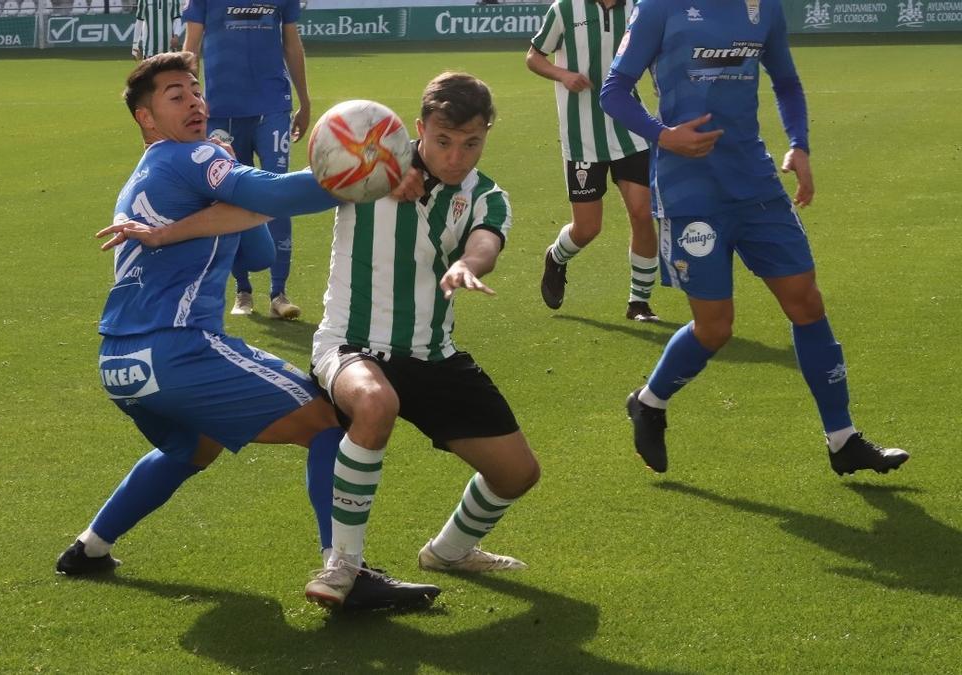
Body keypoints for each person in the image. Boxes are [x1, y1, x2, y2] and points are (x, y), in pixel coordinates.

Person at [55, 52, 439, 611]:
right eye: (175, 96)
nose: (194, 101)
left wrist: (228, 193)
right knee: (331, 418)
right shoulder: (187, 156)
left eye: (195, 90)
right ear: (146, 118)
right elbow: (279, 197)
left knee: (193, 447)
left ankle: (89, 547)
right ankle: (346, 572)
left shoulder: (155, 175)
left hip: (122, 363)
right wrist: (364, 170)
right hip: (178, 347)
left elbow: (255, 252)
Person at [600, 0, 909, 475]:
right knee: (715, 328)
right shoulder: (660, 7)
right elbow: (614, 90)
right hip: (691, 192)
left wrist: (799, 145)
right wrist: (663, 135)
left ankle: (842, 438)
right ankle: (650, 403)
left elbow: (785, 80)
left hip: (756, 184)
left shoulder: (763, 8)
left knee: (806, 301)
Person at [301, 72, 542, 606]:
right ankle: (343, 566)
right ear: (419, 131)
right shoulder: (371, 165)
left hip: (434, 356)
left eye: (472, 143)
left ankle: (450, 550)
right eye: (443, 142)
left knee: (518, 474)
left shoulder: (487, 195)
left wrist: (466, 264)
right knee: (375, 402)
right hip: (351, 343)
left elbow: (486, 242)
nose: (456, 157)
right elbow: (308, 174)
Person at [525, 0, 660, 322]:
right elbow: (534, 56)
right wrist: (562, 74)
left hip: (631, 129)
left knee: (642, 213)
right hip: (581, 136)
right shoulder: (565, 9)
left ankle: (638, 302)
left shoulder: (638, 9)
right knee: (587, 228)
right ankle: (556, 258)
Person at [182, 0, 311, 320]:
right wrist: (191, 104)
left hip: (272, 107)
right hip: (221, 113)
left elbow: (291, 43)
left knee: (278, 195)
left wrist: (305, 99)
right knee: (232, 197)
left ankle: (279, 292)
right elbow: (191, 49)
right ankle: (243, 290)